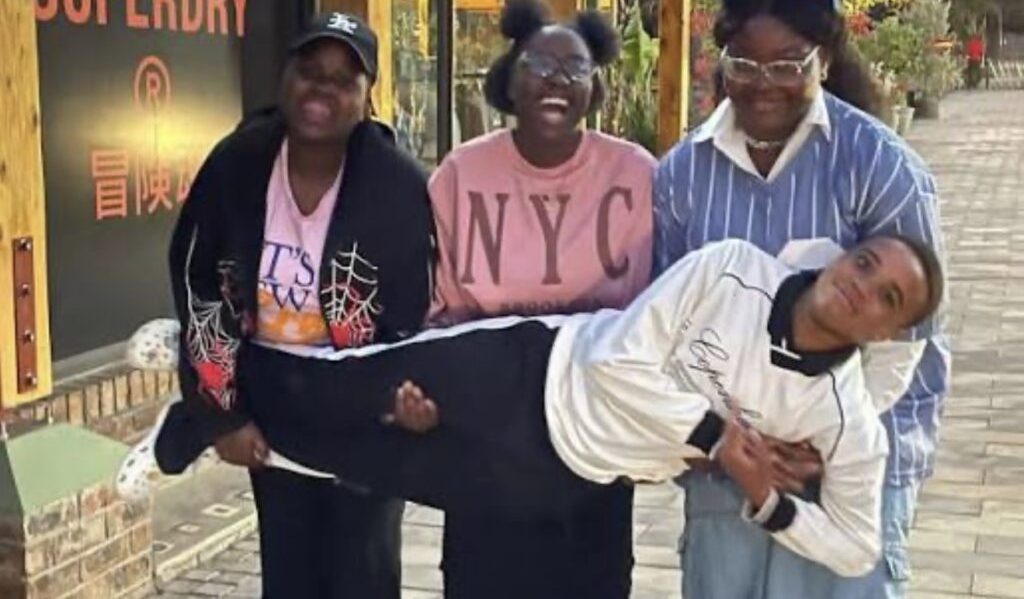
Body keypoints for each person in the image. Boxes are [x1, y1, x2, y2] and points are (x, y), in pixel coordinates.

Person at [125, 234, 944, 584]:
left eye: (888, 297)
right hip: (528, 368)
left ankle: (197, 420)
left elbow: (856, 547)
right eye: (866, 263)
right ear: (843, 255)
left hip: (567, 471)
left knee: (374, 462)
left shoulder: (841, 418)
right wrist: (718, 436)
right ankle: (210, 367)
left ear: (889, 330)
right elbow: (618, 358)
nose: (862, 286)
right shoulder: (733, 269)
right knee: (347, 384)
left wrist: (767, 499)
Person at [653, 0, 949, 598]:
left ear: (826, 58)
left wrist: (824, 439)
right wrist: (720, 439)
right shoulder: (682, 174)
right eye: (744, 63)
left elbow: (908, 338)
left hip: (851, 472)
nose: (765, 84)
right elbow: (667, 329)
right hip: (727, 467)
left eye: (789, 63)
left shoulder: (879, 164)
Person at [141, 11, 434, 599]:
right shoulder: (237, 164)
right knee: (289, 575)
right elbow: (199, 284)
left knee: (364, 575)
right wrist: (224, 414)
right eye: (310, 70)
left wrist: (405, 405)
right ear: (285, 77)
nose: (323, 88)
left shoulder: (397, 184)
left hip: (361, 412)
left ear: (367, 98)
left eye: (344, 79)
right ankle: (190, 422)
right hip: (273, 399)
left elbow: (416, 312)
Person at [426, 0, 655, 599]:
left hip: (594, 448)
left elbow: (664, 307)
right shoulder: (460, 175)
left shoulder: (637, 175)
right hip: (486, 445)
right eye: (539, 64)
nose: (557, 79)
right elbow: (433, 308)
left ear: (593, 86)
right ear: (510, 76)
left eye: (575, 67)